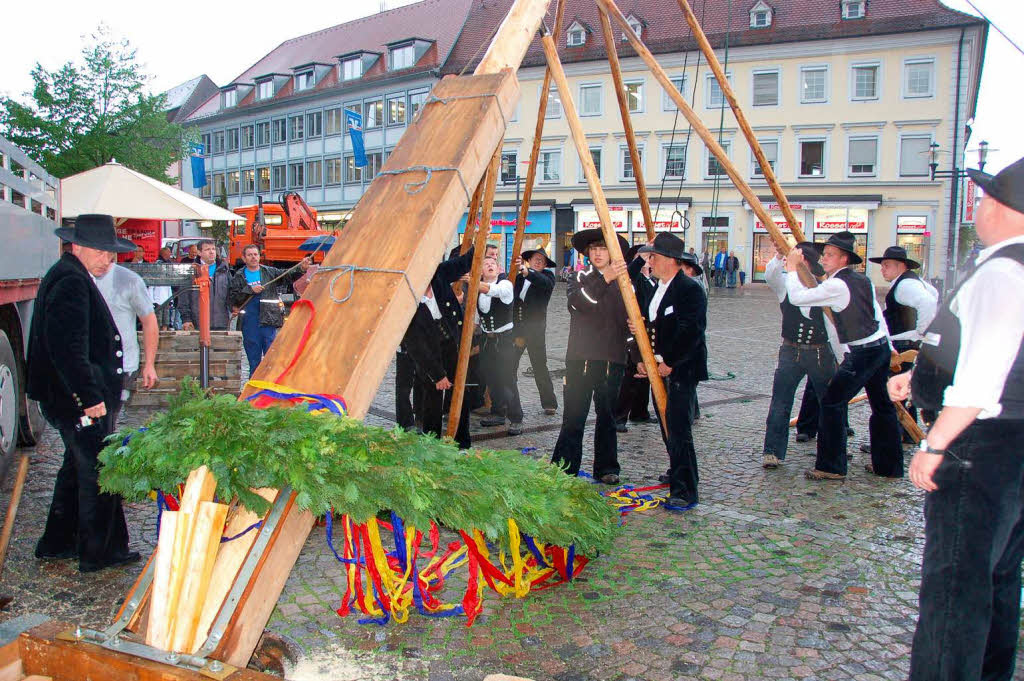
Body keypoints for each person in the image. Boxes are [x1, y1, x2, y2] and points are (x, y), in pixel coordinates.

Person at [891, 157, 1024, 681]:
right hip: (1009, 443)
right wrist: (921, 376)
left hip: (981, 445)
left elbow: (986, 370)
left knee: (954, 590)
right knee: (995, 577)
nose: (979, 205)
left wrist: (936, 442)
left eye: (988, 198)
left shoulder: (1003, 271)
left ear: (1006, 209)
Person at [27, 214, 141, 573]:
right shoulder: (71, 281)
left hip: (71, 396)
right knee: (98, 471)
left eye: (112, 253)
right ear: (79, 247)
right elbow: (68, 350)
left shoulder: (70, 275)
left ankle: (57, 541)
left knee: (76, 469)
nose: (110, 259)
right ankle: (99, 552)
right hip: (75, 399)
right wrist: (89, 398)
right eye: (104, 252)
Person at [785, 231, 902, 480]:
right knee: (883, 406)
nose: (824, 258)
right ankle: (888, 466)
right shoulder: (862, 280)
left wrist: (793, 269)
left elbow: (797, 297)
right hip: (877, 348)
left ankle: (831, 466)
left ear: (844, 259)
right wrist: (888, 344)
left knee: (831, 402)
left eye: (830, 255)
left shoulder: (838, 284)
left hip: (864, 353)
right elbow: (876, 315)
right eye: (824, 254)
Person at [628, 233, 708, 509]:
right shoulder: (657, 287)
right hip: (660, 366)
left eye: (655, 257)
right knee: (666, 425)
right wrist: (643, 358)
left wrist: (669, 362)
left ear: (672, 261)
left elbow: (691, 332)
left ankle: (686, 489)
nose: (650, 262)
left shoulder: (689, 289)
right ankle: (677, 469)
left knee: (679, 428)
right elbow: (650, 327)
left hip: (682, 368)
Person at [551, 229, 629, 484]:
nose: (597, 253)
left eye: (603, 248)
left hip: (612, 359)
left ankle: (607, 467)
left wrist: (635, 354)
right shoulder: (578, 277)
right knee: (574, 415)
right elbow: (580, 303)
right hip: (581, 359)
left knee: (607, 417)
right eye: (593, 249)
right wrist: (604, 278)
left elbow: (629, 322)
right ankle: (564, 467)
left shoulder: (625, 283)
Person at [760, 243, 844, 469]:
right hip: (790, 351)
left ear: (806, 262)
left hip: (820, 353)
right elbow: (770, 275)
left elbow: (834, 329)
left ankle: (834, 451)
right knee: (780, 400)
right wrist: (779, 256)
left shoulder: (823, 287)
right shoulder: (786, 285)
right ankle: (772, 451)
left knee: (830, 402)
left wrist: (842, 358)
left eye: (796, 259)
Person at [400, 247, 476, 449]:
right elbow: (416, 346)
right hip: (428, 354)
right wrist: (437, 375)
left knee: (460, 394)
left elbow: (465, 261)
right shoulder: (407, 299)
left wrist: (481, 237)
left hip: (451, 342)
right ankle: (431, 446)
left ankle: (462, 444)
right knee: (431, 400)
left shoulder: (439, 273)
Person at [868, 245, 938, 441]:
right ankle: (906, 433)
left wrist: (921, 330)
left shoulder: (906, 285)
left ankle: (896, 435)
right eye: (882, 266)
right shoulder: (912, 282)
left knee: (893, 391)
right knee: (904, 390)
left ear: (901, 266)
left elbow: (929, 303)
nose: (882, 270)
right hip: (909, 342)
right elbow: (934, 294)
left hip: (905, 344)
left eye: (887, 265)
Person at [227, 245, 310, 376]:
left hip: (269, 321)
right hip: (249, 323)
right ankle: (253, 391)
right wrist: (249, 290)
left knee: (271, 359)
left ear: (259, 256)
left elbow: (287, 276)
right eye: (250, 255)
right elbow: (232, 299)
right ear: (244, 258)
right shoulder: (238, 276)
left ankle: (270, 389)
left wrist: (301, 268)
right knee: (254, 361)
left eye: (255, 254)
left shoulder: (269, 272)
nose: (253, 257)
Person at [93, 262, 160, 414]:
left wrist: (149, 364)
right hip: (88, 364)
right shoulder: (76, 278)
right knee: (89, 422)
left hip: (122, 364)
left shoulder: (129, 280)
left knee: (108, 416)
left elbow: (149, 321)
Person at [477, 256, 523, 435]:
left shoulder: (505, 285)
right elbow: (477, 317)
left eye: (492, 264)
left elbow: (493, 291)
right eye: (485, 264)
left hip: (504, 340)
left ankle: (516, 418)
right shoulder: (478, 289)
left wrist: (473, 283)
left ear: (498, 268)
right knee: (491, 377)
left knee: (508, 379)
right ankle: (498, 412)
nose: (489, 266)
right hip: (487, 340)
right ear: (481, 271)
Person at [511, 249, 558, 415]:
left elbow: (543, 282)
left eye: (542, 261)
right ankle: (509, 403)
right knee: (510, 364)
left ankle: (549, 402)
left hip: (536, 331)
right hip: (518, 329)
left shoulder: (547, 277)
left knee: (539, 366)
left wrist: (527, 271)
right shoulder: (517, 278)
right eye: (536, 259)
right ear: (529, 260)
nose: (539, 262)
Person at [616, 244, 657, 431]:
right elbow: (628, 276)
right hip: (631, 333)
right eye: (644, 258)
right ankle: (619, 417)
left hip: (647, 332)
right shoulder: (631, 279)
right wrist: (641, 258)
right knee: (630, 375)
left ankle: (640, 412)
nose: (648, 261)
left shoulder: (651, 280)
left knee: (644, 377)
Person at [179, 239, 232, 332]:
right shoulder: (192, 272)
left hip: (221, 323)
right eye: (207, 249)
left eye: (213, 249)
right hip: (197, 324)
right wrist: (186, 319)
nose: (211, 252)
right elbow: (183, 298)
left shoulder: (224, 270)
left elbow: (231, 294)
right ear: (199, 252)